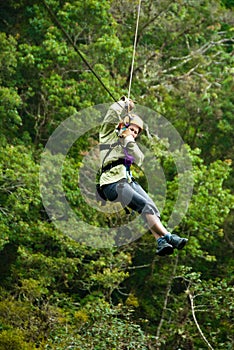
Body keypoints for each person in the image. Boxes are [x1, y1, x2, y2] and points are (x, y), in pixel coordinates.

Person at [98, 96, 188, 256]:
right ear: (122, 125)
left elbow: (139, 158)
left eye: (136, 132)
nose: (133, 133)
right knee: (144, 206)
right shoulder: (107, 136)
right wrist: (124, 104)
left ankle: (160, 241)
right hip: (111, 184)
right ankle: (168, 236)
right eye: (131, 129)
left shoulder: (128, 143)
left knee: (152, 208)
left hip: (127, 181)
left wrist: (128, 139)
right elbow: (112, 113)